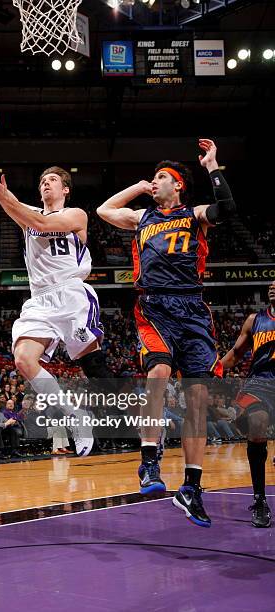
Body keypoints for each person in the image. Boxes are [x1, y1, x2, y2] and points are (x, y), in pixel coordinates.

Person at [0, 121, 116, 456]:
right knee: (24, 360)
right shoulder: (26, 214)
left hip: (72, 294)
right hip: (40, 300)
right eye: (42, 181)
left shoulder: (76, 215)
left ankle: (138, 425)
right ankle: (75, 416)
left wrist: (6, 200)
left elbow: (39, 223)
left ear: (65, 189)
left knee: (94, 367)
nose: (45, 184)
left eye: (52, 180)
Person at [97, 139, 235, 527]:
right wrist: (140, 187)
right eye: (153, 179)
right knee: (157, 373)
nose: (154, 182)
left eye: (160, 178)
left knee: (198, 399)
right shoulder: (142, 218)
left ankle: (191, 487)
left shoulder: (194, 214)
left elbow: (228, 208)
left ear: (178, 186)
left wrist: (212, 166)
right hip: (155, 305)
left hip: (192, 307)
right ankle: (148, 462)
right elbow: (104, 210)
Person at [220, 282, 275, 528]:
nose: (273, 286)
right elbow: (236, 353)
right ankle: (260, 498)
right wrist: (213, 369)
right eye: (271, 284)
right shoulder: (255, 320)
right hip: (260, 383)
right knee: (257, 423)